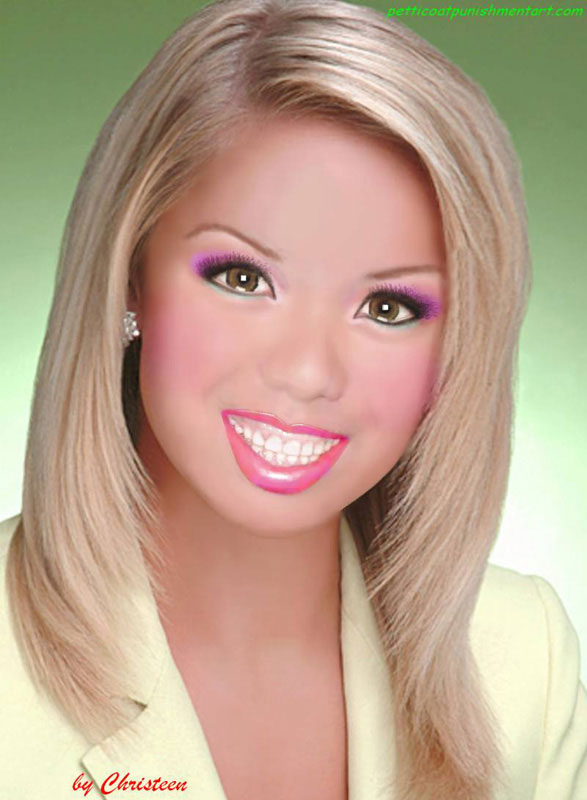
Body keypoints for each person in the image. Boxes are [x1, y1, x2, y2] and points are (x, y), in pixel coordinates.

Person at [1, 0, 585, 798]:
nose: (308, 370)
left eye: (388, 308)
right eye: (243, 278)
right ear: (129, 275)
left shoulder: (523, 662)